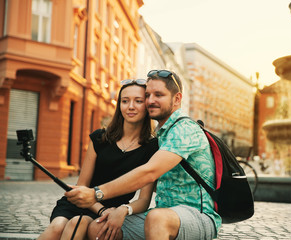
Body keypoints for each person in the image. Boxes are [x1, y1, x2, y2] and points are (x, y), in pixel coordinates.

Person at [65, 70, 221, 240]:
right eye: (147, 95)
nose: (150, 101)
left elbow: (149, 172)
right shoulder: (162, 134)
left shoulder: (184, 129)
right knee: (99, 227)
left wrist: (96, 193)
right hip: (164, 214)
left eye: (158, 95)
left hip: (198, 216)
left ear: (177, 99)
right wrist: (124, 208)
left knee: (157, 218)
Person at [38, 79, 158, 240]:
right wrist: (100, 209)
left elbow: (144, 200)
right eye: (124, 101)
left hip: (110, 210)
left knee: (76, 224)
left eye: (138, 101)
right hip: (80, 202)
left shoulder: (152, 147)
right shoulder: (99, 138)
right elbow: (82, 185)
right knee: (57, 227)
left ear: (147, 105)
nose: (130, 106)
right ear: (119, 105)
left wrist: (122, 210)